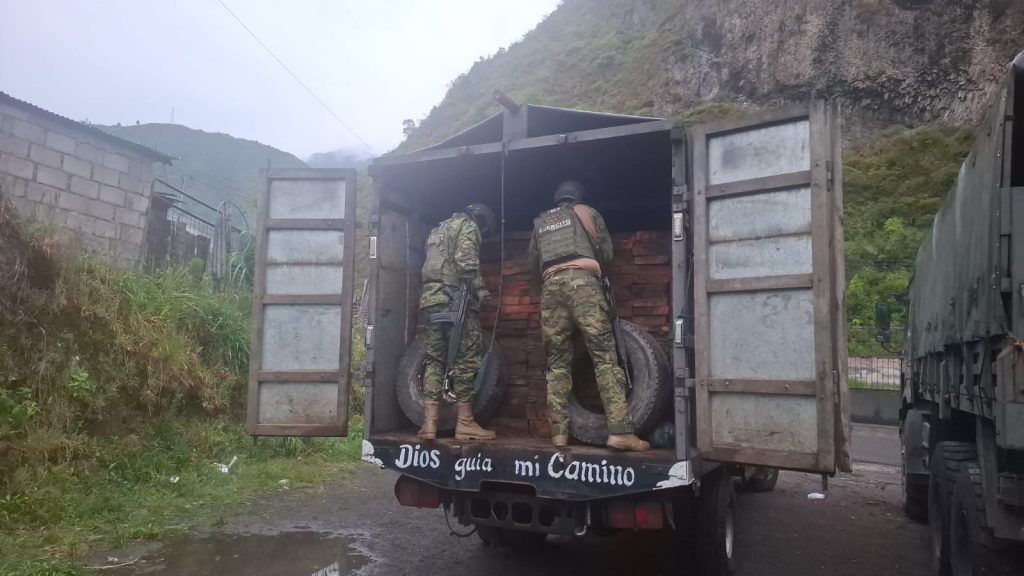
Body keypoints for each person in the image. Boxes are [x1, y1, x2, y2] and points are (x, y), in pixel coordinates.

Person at [527, 181, 649, 451]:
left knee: (557, 362)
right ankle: (620, 432)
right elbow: (606, 253)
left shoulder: (540, 221)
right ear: (579, 196)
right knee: (605, 356)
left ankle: (558, 434)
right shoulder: (588, 213)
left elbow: (533, 264)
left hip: (551, 290)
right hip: (584, 285)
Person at [417, 203, 497, 442]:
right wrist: (481, 292)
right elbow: (466, 261)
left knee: (434, 360)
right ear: (480, 219)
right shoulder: (467, 226)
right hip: (455, 301)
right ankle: (465, 423)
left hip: (431, 301)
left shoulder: (436, 230)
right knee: (467, 360)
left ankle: (429, 424)